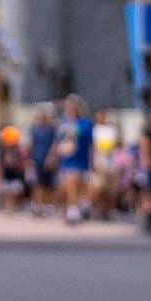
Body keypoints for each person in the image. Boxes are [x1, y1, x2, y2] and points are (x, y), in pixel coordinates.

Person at [55, 94, 94, 224]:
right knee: (67, 186)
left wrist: (92, 161)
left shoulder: (85, 123)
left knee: (76, 185)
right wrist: (53, 156)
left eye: (71, 106)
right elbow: (58, 142)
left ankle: (76, 209)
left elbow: (91, 144)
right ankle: (74, 209)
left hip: (80, 160)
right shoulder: (63, 123)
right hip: (66, 160)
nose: (69, 109)